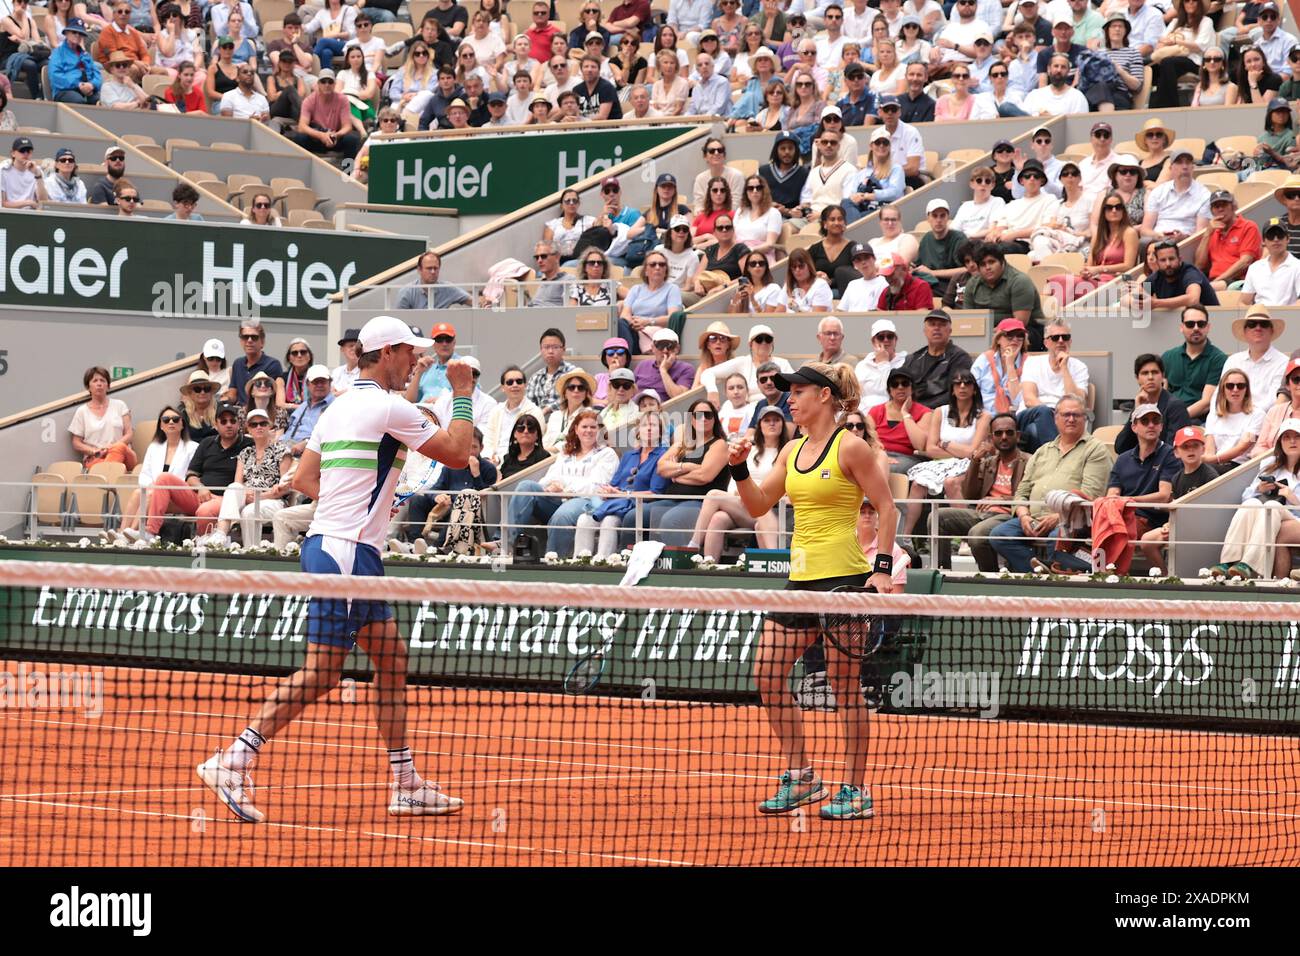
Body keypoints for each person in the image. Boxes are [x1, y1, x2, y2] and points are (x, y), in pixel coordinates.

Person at [197, 317, 477, 822]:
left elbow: (305, 479)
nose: (416, 359)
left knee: (390, 658)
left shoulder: (341, 406)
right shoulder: (393, 406)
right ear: (387, 352)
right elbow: (458, 452)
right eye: (409, 352)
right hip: (347, 553)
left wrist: (362, 504)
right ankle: (232, 759)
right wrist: (462, 393)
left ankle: (406, 783)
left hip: (337, 545)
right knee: (323, 671)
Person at [727, 362, 896, 818]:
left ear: (824, 396)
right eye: (789, 392)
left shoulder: (852, 447)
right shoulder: (790, 452)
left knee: (845, 686)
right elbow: (759, 504)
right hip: (799, 580)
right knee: (767, 673)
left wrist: (880, 568)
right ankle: (802, 777)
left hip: (843, 580)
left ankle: (855, 790)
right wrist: (740, 469)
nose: (790, 399)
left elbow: (885, 506)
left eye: (798, 391)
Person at [988, 395, 1113, 572]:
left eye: (1076, 415)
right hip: (1034, 519)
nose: (1071, 419)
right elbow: (1022, 491)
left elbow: (1091, 495)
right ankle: (1040, 571)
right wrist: (1023, 516)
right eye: (1066, 414)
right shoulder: (1042, 451)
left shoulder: (1095, 449)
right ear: (1056, 418)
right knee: (999, 535)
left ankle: (1052, 575)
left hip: (1072, 521)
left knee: (1057, 538)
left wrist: (1058, 518)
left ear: (1084, 418)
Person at [686, 405, 790, 561]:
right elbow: (736, 477)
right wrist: (741, 492)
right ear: (759, 425)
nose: (772, 424)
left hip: (770, 508)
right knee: (718, 518)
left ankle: (692, 546)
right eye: (767, 420)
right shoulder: (750, 450)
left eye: (776, 420)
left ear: (783, 424)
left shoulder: (787, 451)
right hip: (743, 503)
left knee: (713, 495)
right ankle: (709, 565)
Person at [510, 409, 618, 557]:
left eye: (593, 427)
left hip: (586, 501)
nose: (589, 431)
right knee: (526, 486)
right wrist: (549, 487)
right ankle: (506, 544)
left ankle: (554, 560)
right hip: (558, 499)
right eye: (584, 427)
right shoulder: (567, 453)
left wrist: (563, 486)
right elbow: (548, 478)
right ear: (576, 429)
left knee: (562, 516)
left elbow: (595, 486)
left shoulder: (607, 454)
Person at [933, 412, 1029, 571]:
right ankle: (942, 572)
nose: (1004, 437)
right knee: (937, 517)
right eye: (998, 433)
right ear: (992, 438)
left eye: (1009, 432)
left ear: (1017, 436)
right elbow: (969, 495)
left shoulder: (1029, 461)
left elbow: (1032, 496)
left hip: (1009, 515)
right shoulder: (988, 462)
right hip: (982, 514)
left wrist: (1003, 500)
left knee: (977, 534)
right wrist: (975, 462)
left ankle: (990, 577)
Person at [1206, 419, 1300, 580]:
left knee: (1271, 506)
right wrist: (1259, 489)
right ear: (1280, 443)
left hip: (1294, 517)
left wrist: (1293, 499)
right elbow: (1246, 497)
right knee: (1252, 503)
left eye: (1297, 437)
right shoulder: (1270, 464)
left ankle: (1249, 564)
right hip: (1273, 516)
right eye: (1286, 437)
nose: (1292, 441)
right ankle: (1228, 561)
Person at [901, 371, 989, 541]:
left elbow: (974, 452)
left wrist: (947, 444)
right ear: (952, 389)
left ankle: (966, 538)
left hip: (970, 465)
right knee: (918, 483)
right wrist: (958, 450)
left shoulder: (983, 416)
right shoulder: (940, 412)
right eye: (957, 383)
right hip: (940, 463)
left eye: (967, 383)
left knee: (952, 483)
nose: (962, 386)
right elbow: (931, 448)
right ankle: (905, 537)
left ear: (974, 389)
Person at [572, 411, 669, 559]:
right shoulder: (629, 455)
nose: (648, 429)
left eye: (653, 425)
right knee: (584, 519)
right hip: (616, 502)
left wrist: (624, 494)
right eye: (644, 425)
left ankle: (603, 562)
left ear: (660, 431)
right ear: (638, 431)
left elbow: (655, 493)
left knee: (609, 521)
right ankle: (579, 561)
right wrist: (609, 491)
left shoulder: (663, 455)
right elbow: (614, 484)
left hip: (636, 504)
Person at [1137, 425, 1220, 573]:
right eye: (1185, 447)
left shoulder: (1209, 475)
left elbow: (1211, 513)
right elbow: (1175, 507)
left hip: (1202, 528)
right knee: (1146, 541)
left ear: (1203, 448)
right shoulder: (1176, 477)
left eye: (1195, 445)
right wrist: (1169, 524)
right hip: (1180, 525)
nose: (1191, 450)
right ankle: (1165, 575)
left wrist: (1179, 524)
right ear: (1176, 452)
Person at [1017, 319, 1090, 451]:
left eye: (1065, 337)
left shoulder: (1079, 367)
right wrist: (1053, 414)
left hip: (1063, 418)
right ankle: (1059, 455)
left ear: (1070, 341)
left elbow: (1077, 401)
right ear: (1046, 342)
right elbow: (1029, 399)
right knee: (1042, 412)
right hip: (1030, 414)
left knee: (1033, 431)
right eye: (1055, 338)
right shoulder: (1033, 363)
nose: (1061, 341)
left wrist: (1065, 368)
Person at [963, 243, 1047, 352]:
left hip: (1024, 331)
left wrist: (993, 335)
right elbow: (967, 319)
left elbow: (1020, 322)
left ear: (1002, 262)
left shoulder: (1020, 281)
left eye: (992, 262)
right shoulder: (972, 284)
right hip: (985, 333)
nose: (988, 267)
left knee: (1015, 337)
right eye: (983, 264)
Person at [1112, 353, 1192, 454]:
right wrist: (1136, 411)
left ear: (1163, 376)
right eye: (1145, 373)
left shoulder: (1175, 406)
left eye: (1154, 372)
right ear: (1137, 378)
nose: (1150, 377)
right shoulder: (1139, 404)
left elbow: (1175, 450)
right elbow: (1121, 447)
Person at [1216, 305, 1290, 410]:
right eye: (1252, 324)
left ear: (1271, 331)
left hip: (1266, 422)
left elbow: (1274, 401)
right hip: (1230, 418)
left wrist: (1247, 415)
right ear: (1245, 332)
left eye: (1264, 324)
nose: (1258, 328)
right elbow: (1219, 395)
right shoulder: (1233, 361)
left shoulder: (1284, 362)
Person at [1161, 306, 1226, 422]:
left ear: (1208, 327)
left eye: (1201, 324)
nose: (1196, 328)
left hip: (1200, 421)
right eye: (1190, 324)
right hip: (1167, 418)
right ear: (1181, 327)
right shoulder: (1168, 357)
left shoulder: (1218, 359)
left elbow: (1206, 402)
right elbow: (1160, 394)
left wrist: (1175, 417)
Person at [702, 324, 793, 403]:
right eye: (759, 339)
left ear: (772, 343)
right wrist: (712, 391)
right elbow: (707, 373)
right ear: (750, 344)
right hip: (750, 411)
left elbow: (796, 385)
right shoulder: (742, 362)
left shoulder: (783, 363)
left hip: (779, 411)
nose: (764, 343)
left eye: (768, 339)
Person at [69, 365, 137, 469]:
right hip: (96, 457)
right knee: (103, 465)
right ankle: (108, 474)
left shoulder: (120, 405)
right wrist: (94, 451)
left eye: (103, 380)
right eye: (95, 381)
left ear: (108, 385)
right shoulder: (82, 411)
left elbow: (129, 434)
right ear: (88, 387)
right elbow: (76, 442)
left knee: (119, 447)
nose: (99, 384)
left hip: (124, 457)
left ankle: (105, 475)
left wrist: (112, 447)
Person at [1194, 191, 1262, 292]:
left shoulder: (1248, 226)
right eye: (1216, 206)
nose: (1221, 209)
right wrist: (1207, 234)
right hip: (1215, 282)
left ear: (1233, 207)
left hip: (1240, 281)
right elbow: (1199, 266)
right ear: (1212, 211)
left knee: (1199, 291)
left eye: (1224, 205)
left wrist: (1217, 281)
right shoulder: (1212, 231)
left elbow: (1245, 262)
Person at [1202, 368, 1264, 473]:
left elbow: (1241, 449)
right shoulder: (1213, 415)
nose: (1235, 389)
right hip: (1215, 466)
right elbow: (1209, 450)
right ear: (1223, 389)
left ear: (1246, 390)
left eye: (1240, 386)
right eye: (1230, 386)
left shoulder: (1257, 415)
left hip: (1240, 467)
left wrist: (1215, 459)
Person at [292, 69, 362, 159]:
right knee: (299, 138)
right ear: (318, 84)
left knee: (352, 139)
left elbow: (347, 126)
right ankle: (302, 170)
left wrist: (336, 135)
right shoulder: (309, 100)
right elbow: (302, 126)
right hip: (316, 138)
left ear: (334, 84)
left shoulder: (343, 100)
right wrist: (321, 135)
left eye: (330, 82)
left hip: (335, 137)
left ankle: (348, 171)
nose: (327, 85)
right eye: (323, 81)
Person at [971, 318, 1029, 417]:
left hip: (1015, 415)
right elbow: (971, 390)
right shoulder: (984, 359)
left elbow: (1017, 401)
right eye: (1009, 335)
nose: (1015, 339)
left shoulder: (1028, 362)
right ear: (998, 339)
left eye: (1020, 336)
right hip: (983, 414)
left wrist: (1010, 364)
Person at [915, 198, 968, 297]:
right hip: (930, 283)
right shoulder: (926, 239)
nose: (938, 220)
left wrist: (933, 273)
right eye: (934, 216)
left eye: (942, 216)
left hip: (954, 285)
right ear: (928, 218)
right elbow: (919, 265)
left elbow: (966, 269)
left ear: (948, 217)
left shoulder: (959, 238)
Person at [1241, 219, 1300, 307]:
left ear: (1288, 238)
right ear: (1263, 241)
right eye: (1271, 235)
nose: (1276, 239)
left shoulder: (1297, 266)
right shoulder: (1255, 268)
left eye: (1280, 235)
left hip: (1288, 318)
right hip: (1260, 318)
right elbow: (1243, 302)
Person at [855, 317, 906, 411]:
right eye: (881, 337)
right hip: (865, 416)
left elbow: (890, 391)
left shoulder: (905, 363)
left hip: (893, 414)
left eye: (890, 336)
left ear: (896, 340)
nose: (885, 340)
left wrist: (884, 363)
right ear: (873, 341)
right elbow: (856, 396)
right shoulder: (862, 366)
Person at [1252, 358, 1300, 456]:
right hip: (1273, 466)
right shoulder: (1275, 411)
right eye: (1296, 379)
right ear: (1287, 385)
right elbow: (1260, 447)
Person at [634, 328, 696, 401]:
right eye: (660, 346)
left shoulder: (686, 369)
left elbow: (680, 398)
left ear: (677, 348)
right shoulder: (643, 365)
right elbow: (629, 390)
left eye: (670, 346)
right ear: (653, 348)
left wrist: (663, 370)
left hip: (667, 410)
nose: (665, 350)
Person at [49, 17, 100, 104]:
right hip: (64, 90)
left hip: (87, 88)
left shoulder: (85, 54)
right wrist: (78, 84)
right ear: (66, 33)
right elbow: (55, 77)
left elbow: (97, 74)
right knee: (78, 101)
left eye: (80, 33)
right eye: (74, 32)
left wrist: (92, 85)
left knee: (102, 100)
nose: (77, 35)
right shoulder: (58, 53)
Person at [951, 166, 1005, 242]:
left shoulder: (997, 201)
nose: (983, 184)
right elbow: (953, 231)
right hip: (962, 244)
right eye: (979, 180)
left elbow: (992, 230)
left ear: (992, 185)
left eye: (987, 181)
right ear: (971, 184)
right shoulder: (965, 206)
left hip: (984, 244)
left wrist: (969, 236)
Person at [1023, 53, 1089, 114]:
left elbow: (1080, 124)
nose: (1059, 70)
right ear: (1048, 69)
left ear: (1068, 71)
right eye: (1056, 66)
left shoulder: (1077, 97)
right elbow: (1024, 121)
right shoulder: (1034, 96)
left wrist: (1050, 118)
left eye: (1063, 67)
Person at [1, 136, 46, 209]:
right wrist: (28, 203)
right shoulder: (3, 170)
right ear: (13, 153)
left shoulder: (37, 171)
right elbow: (3, 203)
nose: (25, 153)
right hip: (9, 213)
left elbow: (43, 202)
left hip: (31, 214)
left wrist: (38, 175)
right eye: (22, 150)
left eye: (28, 151)